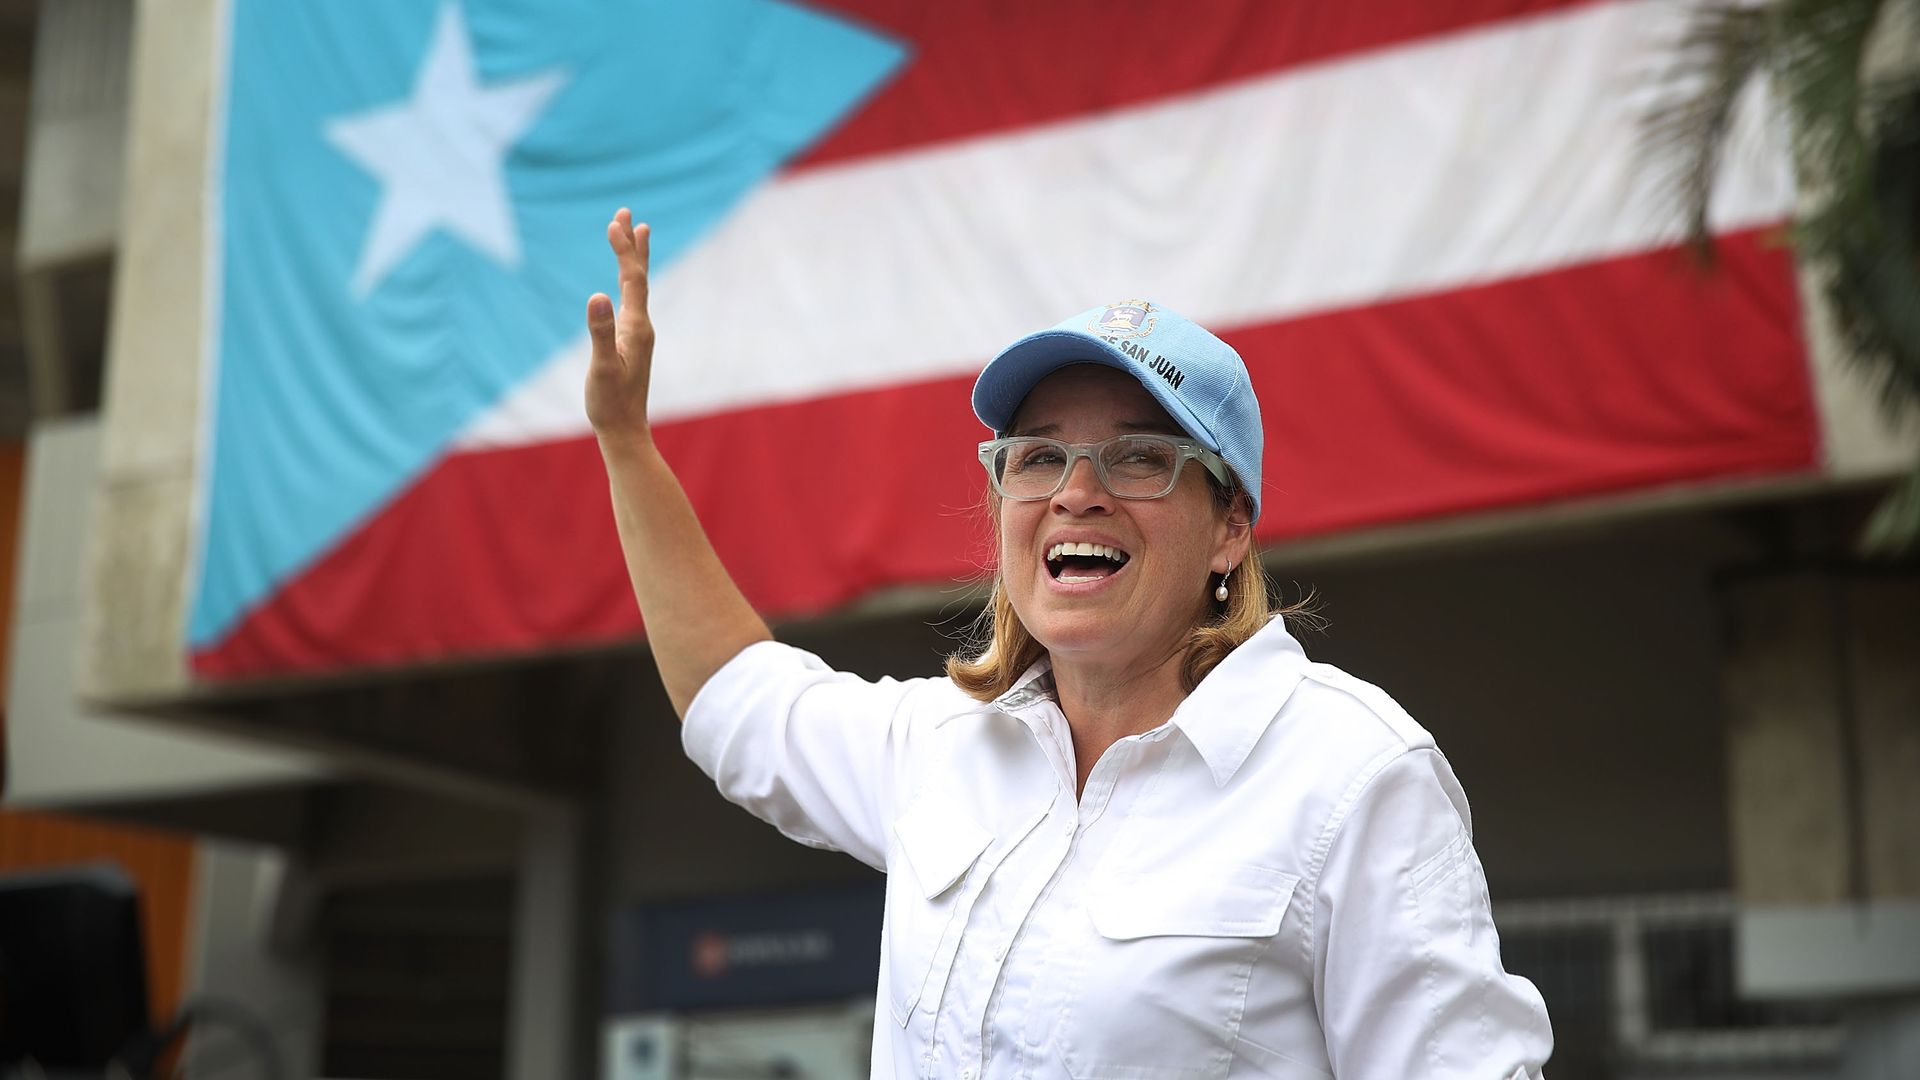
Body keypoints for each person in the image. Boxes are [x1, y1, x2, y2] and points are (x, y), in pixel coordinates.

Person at [585, 208, 1553, 1079]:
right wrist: (627, 446)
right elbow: (736, 696)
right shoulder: (943, 748)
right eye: (1038, 455)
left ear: (1230, 527)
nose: (1074, 491)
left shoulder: (1351, 774)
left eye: (1139, 457)